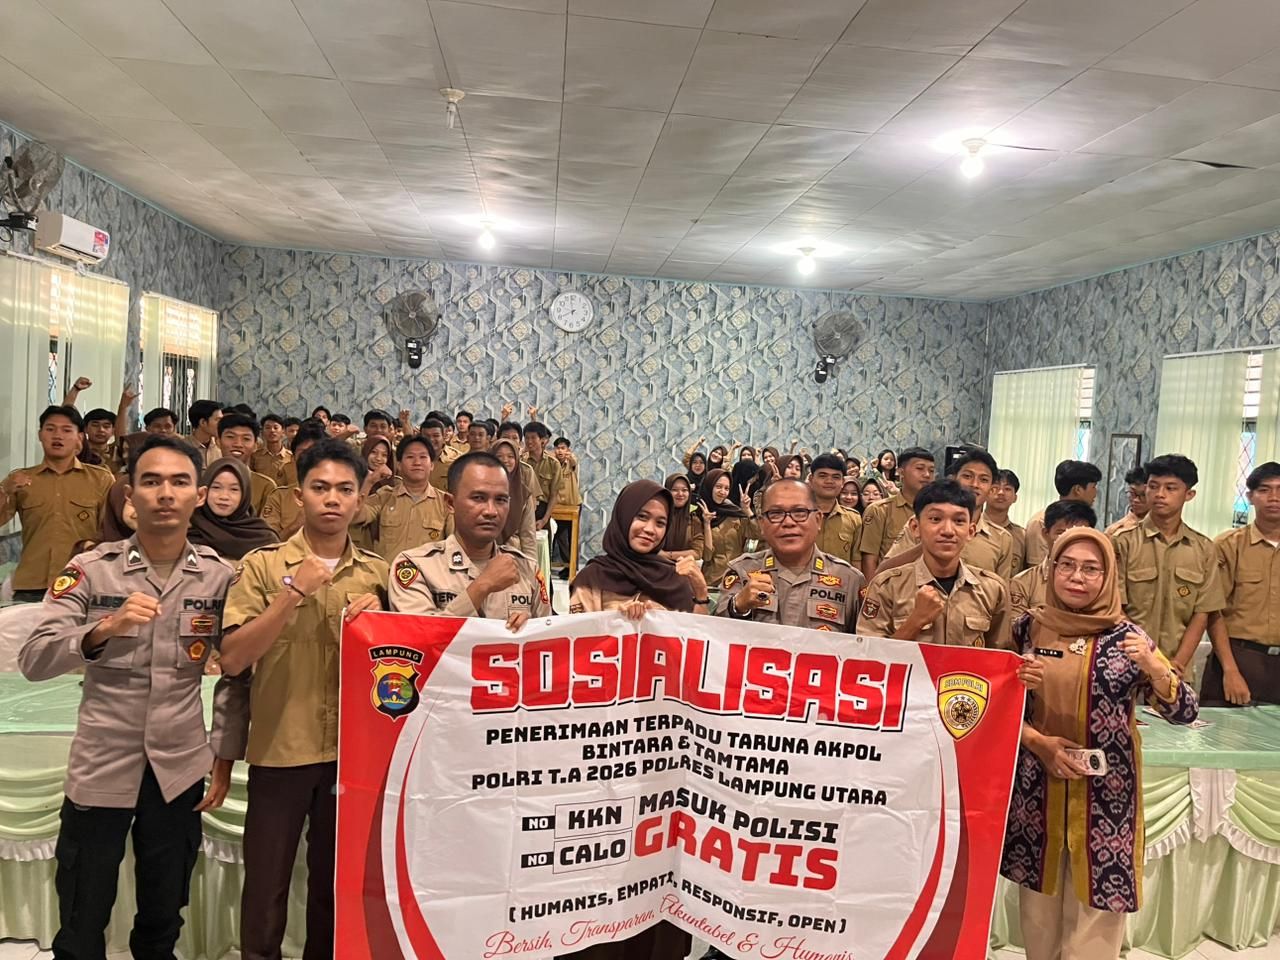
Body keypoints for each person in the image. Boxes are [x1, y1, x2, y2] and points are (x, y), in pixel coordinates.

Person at [18, 434, 245, 960]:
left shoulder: (219, 577)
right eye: (151, 481)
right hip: (103, 762)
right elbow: (34, 659)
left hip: (177, 767)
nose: (165, 493)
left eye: (179, 482)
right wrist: (103, 630)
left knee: (163, 918)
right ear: (130, 495)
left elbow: (238, 674)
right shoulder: (92, 569)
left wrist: (224, 755)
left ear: (199, 496)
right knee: (81, 917)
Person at [217, 439, 387, 960]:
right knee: (265, 889)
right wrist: (292, 594)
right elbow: (233, 659)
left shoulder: (378, 575)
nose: (332, 499)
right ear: (299, 496)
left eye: (344, 489)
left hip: (352, 758)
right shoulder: (263, 567)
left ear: (359, 500)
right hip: (280, 750)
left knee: (334, 891)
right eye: (320, 488)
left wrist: (380, 621)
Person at [1001, 529, 1197, 960]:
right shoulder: (1027, 629)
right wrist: (1037, 741)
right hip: (1038, 791)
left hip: (1106, 801)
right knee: (1039, 915)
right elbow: (996, 706)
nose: (1077, 577)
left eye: (1091, 569)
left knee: (1096, 918)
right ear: (1051, 570)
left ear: (1108, 577)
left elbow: (1184, 712)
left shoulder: (1128, 638)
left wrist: (1155, 667)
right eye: (1067, 566)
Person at [389, 451, 551, 624]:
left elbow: (550, 635)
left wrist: (530, 630)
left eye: (501, 500)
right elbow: (419, 636)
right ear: (450, 503)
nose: (491, 511)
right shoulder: (416, 566)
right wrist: (483, 585)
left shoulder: (526, 569)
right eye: (478, 498)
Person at [858, 480, 1011, 648]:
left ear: (971, 531)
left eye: (959, 521)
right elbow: (867, 655)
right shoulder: (887, 586)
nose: (948, 531)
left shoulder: (992, 589)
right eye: (935, 519)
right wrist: (916, 621)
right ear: (915, 527)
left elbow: (1001, 656)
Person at [1111, 455, 1224, 674]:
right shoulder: (1122, 542)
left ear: (1189, 494)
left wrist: (1177, 663)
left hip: (1177, 668)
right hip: (1125, 663)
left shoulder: (1203, 549)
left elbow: (1202, 613)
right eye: (1153, 486)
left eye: (1170, 488)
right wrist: (1149, 659)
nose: (1159, 494)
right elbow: (1115, 608)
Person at [718, 478, 864, 632]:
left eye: (800, 512)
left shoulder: (850, 580)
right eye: (776, 513)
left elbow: (866, 642)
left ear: (818, 520)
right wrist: (738, 607)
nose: (788, 522)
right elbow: (714, 635)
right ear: (762, 524)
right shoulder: (741, 572)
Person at [1, 405, 115, 601]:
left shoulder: (101, 479)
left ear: (80, 437)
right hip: (32, 584)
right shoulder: (20, 479)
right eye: (50, 429)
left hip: (83, 583)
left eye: (66, 430)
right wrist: (4, 491)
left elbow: (111, 532)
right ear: (40, 434)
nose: (57, 436)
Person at [1202, 461, 1280, 706]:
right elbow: (1212, 611)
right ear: (1250, 497)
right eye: (1264, 490)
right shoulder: (1228, 545)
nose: (1274, 498)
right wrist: (1230, 670)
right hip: (1238, 658)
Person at [570, 480, 708, 617]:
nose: (650, 530)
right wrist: (617, 620)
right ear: (623, 517)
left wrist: (701, 592)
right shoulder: (591, 579)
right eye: (642, 517)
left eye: (660, 523)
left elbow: (695, 629)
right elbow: (577, 629)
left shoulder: (676, 579)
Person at [885, 449, 1016, 581]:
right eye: (967, 476)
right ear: (953, 479)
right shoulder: (922, 524)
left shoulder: (1002, 539)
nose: (974, 484)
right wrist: (928, 543)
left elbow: (1000, 588)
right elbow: (884, 572)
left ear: (991, 488)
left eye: (984, 480)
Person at [352, 434, 452, 562]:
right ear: (399, 464)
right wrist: (369, 482)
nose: (417, 462)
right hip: (388, 573)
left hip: (428, 574)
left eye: (423, 457)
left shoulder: (445, 502)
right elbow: (354, 516)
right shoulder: (384, 497)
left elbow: (455, 544)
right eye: (410, 457)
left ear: (432, 465)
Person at [859, 446, 935, 582]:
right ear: (901, 472)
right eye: (920, 468)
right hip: (891, 587)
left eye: (931, 470)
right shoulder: (880, 510)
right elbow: (869, 560)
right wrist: (873, 592)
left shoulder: (937, 513)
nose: (927, 475)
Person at [1010, 501, 1097, 619]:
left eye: (1078, 534)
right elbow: (1015, 628)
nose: (1068, 539)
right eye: (1061, 533)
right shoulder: (1023, 583)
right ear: (1045, 534)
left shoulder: (1100, 581)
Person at [188, 458, 280, 561]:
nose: (224, 496)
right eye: (216, 487)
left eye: (234, 489)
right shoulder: (186, 530)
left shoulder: (263, 538)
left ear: (245, 495)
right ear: (204, 490)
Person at [1025, 460, 1102, 566]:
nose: (1096, 492)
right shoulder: (1040, 522)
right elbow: (1039, 569)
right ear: (1078, 490)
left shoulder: (1086, 521)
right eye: (1093, 487)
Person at [261, 419, 326, 540]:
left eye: (315, 452)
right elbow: (267, 543)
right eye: (303, 453)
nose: (309, 459)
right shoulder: (278, 497)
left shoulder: (340, 497)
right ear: (293, 457)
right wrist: (296, 525)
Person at [699, 468, 756, 584]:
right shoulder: (698, 516)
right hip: (713, 581)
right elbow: (707, 556)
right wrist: (706, 524)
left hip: (737, 578)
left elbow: (759, 533)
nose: (723, 492)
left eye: (726, 488)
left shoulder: (734, 513)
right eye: (718, 487)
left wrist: (747, 510)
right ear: (709, 486)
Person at [217, 413, 278, 514]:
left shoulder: (266, 486)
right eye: (230, 437)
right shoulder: (204, 480)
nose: (238, 444)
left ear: (255, 446)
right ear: (218, 441)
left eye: (246, 439)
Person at [808, 453, 862, 566]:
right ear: (811, 479)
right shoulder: (798, 515)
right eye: (823, 476)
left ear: (842, 482)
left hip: (840, 577)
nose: (829, 481)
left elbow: (856, 561)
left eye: (836, 477)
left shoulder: (854, 519)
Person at [492, 439, 538, 560]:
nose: (505, 460)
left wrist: (531, 565)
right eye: (499, 456)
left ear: (517, 460)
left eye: (510, 456)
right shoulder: (480, 489)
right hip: (482, 555)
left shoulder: (523, 493)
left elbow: (528, 536)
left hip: (513, 555)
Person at [987, 469, 1027, 574]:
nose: (1001, 493)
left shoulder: (1022, 536)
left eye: (1007, 489)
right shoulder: (972, 528)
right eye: (995, 487)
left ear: (1015, 498)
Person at [660, 474, 706, 562]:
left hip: (683, 568)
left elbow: (697, 552)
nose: (680, 494)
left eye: (684, 490)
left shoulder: (694, 520)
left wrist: (667, 555)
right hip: (656, 567)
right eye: (674, 490)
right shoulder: (659, 517)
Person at [525, 420, 562, 531]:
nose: (529, 441)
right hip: (524, 510)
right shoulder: (521, 461)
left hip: (543, 511)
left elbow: (554, 495)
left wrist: (544, 520)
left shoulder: (553, 464)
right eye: (526, 438)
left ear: (542, 440)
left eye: (533, 438)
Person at [552, 436, 581, 574]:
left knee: (572, 537)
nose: (560, 451)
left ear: (568, 450)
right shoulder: (552, 463)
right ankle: (568, 565)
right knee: (559, 536)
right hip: (558, 506)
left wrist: (570, 457)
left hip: (573, 504)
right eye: (557, 448)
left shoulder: (571, 463)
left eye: (563, 448)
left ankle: (572, 567)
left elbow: (574, 462)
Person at [1104, 465, 1150, 536]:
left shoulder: (1164, 527)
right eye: (1132, 493)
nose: (1136, 500)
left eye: (1143, 495)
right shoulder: (1114, 531)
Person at [252, 413, 293, 485]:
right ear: (262, 432)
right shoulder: (255, 457)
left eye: (276, 428)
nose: (272, 430)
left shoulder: (291, 457)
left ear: (283, 432)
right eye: (267, 428)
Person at [186, 399, 224, 467]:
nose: (221, 424)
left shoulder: (221, 448)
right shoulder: (182, 448)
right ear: (203, 422)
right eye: (217, 420)